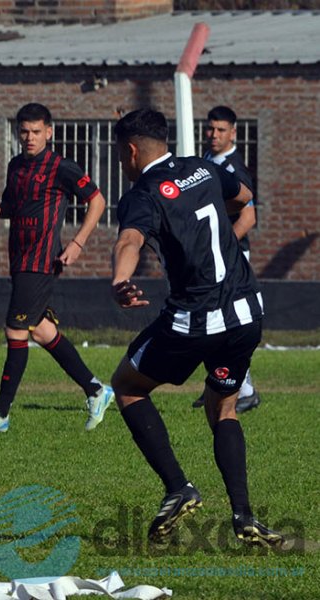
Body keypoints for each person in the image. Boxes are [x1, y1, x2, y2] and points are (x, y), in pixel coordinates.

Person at [109, 108, 283, 547]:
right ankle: (244, 516)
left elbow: (130, 239)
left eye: (119, 154)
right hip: (247, 313)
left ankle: (178, 487)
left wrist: (120, 279)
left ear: (131, 151)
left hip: (196, 319)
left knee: (127, 385)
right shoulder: (203, 169)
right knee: (223, 408)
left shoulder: (143, 193)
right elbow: (244, 197)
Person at [0, 102, 114, 435]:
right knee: (43, 331)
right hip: (19, 259)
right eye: (24, 132)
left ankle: (1, 411)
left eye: (36, 131)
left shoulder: (62, 167)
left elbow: (98, 200)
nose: (30, 137)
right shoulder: (16, 165)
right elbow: (14, 206)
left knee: (15, 330)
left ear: (49, 132)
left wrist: (77, 243)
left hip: (41, 261)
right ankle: (95, 389)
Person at [192, 105, 260, 413]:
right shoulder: (208, 160)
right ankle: (219, 385)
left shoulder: (234, 169)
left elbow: (248, 217)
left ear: (233, 133)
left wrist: (220, 247)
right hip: (214, 257)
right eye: (210, 128)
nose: (214, 134)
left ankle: (244, 390)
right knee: (213, 321)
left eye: (221, 130)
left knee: (229, 323)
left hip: (230, 257)